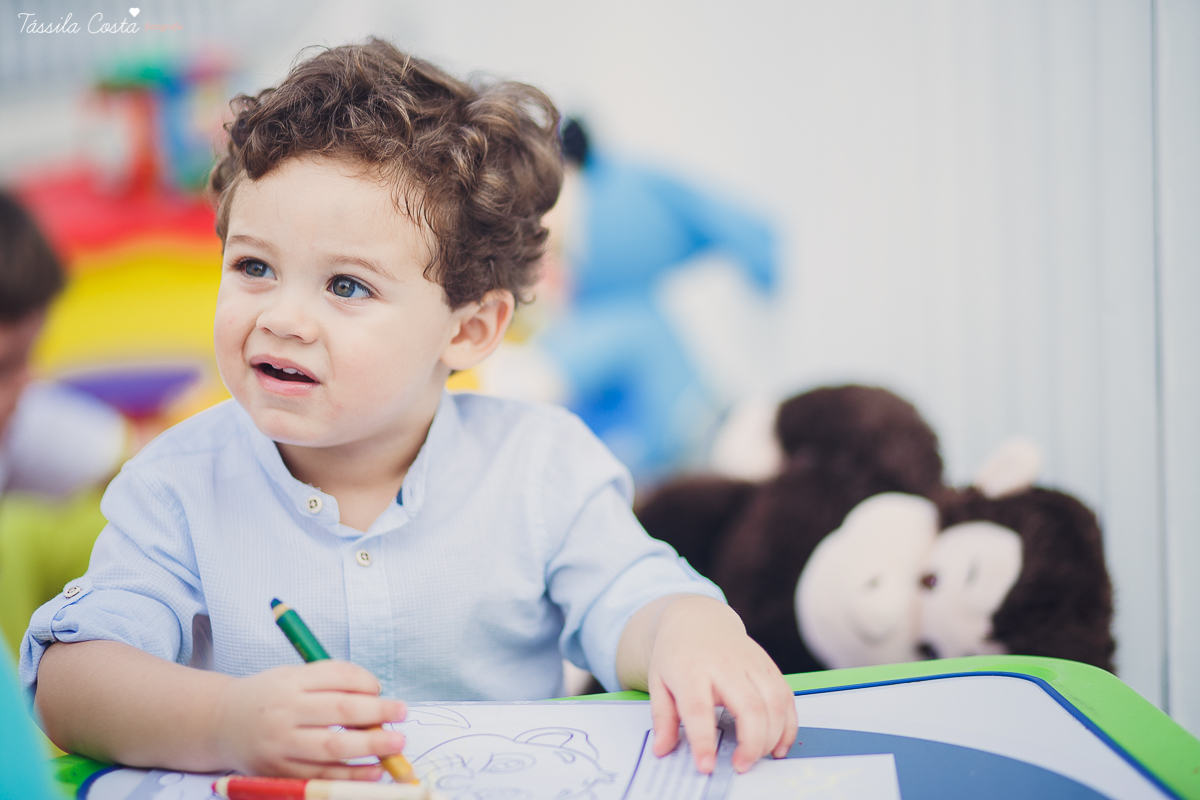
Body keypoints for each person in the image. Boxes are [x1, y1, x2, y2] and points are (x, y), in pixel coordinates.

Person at [21, 40, 796, 782]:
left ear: (468, 330)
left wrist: (694, 634)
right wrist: (226, 721)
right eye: (254, 266)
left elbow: (638, 597)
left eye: (346, 286)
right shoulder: (178, 483)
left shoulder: (541, 466)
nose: (282, 318)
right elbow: (71, 679)